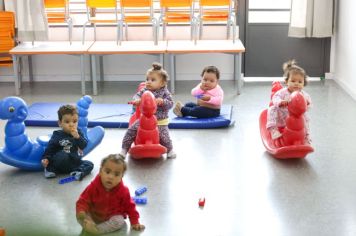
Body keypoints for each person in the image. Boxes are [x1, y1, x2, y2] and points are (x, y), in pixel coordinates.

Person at [76, 154, 145, 235]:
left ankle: (96, 230)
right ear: (101, 171)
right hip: (93, 215)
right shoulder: (92, 187)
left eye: (116, 174)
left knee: (120, 221)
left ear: (121, 177)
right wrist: (82, 213)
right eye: (107, 172)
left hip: (111, 217)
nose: (111, 177)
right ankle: (90, 225)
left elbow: (130, 207)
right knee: (81, 217)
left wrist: (135, 222)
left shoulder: (123, 191)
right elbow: (82, 201)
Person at [119, 62, 176, 159]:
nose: (148, 82)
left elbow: (170, 104)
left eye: (153, 80)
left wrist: (162, 101)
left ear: (162, 83)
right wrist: (136, 100)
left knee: (164, 136)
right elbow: (136, 96)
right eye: (147, 79)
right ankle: (124, 149)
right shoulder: (144, 90)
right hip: (144, 120)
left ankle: (170, 150)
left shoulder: (165, 92)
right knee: (131, 131)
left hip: (159, 121)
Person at [41, 104, 93, 179]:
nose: (71, 125)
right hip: (59, 162)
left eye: (75, 121)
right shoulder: (57, 134)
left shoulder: (79, 132)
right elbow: (50, 149)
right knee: (63, 154)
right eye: (67, 122)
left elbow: (83, 145)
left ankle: (78, 172)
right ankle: (50, 169)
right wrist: (46, 159)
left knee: (89, 164)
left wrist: (77, 137)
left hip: (73, 162)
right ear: (60, 123)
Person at [266, 60, 312, 142]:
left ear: (303, 83)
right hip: (283, 116)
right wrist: (280, 102)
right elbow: (275, 98)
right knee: (272, 109)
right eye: (293, 81)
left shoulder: (304, 94)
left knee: (306, 117)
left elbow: (309, 105)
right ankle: (273, 130)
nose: (296, 84)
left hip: (296, 118)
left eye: (300, 82)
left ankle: (306, 135)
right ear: (287, 82)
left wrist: (307, 104)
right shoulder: (283, 92)